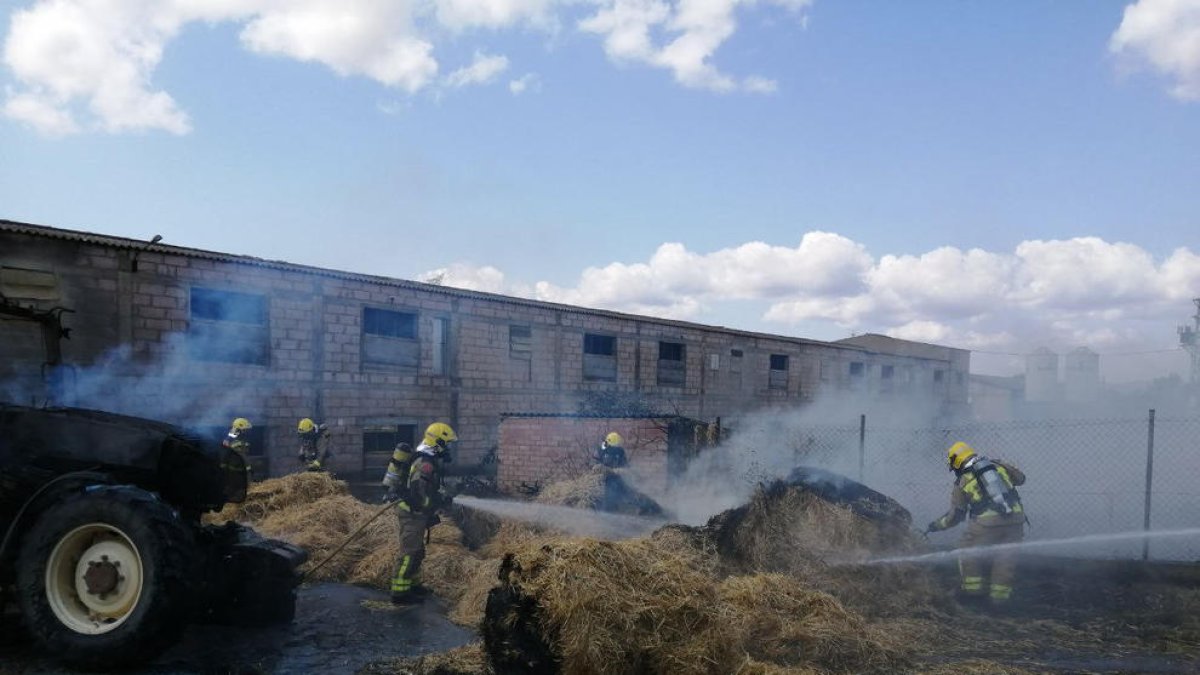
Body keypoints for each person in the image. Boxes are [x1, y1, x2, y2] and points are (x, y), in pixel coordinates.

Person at [926, 441, 1026, 606]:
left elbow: (956, 517)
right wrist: (1002, 464)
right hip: (1016, 520)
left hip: (987, 525)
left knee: (967, 551)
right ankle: (999, 601)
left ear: (956, 461)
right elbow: (1021, 479)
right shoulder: (996, 466)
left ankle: (973, 593)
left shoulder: (962, 481)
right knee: (1005, 559)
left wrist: (936, 526)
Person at [381, 422, 457, 605]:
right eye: (446, 444)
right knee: (409, 553)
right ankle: (399, 593)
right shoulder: (425, 465)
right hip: (412, 514)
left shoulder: (428, 459)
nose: (448, 449)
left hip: (417, 514)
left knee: (418, 552)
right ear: (437, 443)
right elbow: (420, 496)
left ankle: (412, 585)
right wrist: (438, 503)